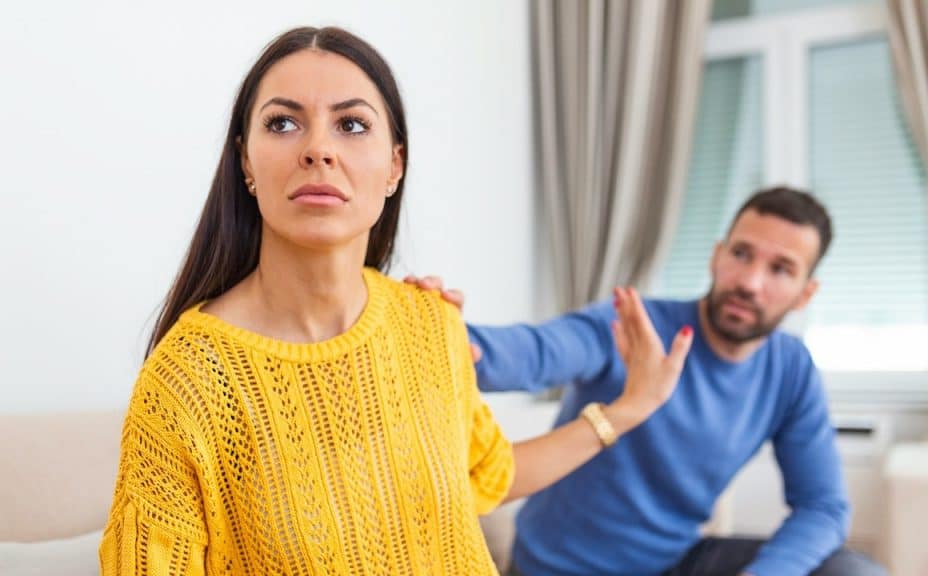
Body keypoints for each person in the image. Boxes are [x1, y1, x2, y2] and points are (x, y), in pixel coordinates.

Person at [98, 26, 693, 575]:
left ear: (394, 165)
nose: (318, 149)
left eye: (352, 125)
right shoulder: (187, 383)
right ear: (246, 163)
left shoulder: (430, 323)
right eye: (283, 123)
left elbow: (487, 476)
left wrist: (630, 408)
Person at [411, 187, 888, 576]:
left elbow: (823, 507)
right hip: (560, 569)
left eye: (780, 269)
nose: (750, 281)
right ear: (716, 257)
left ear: (806, 293)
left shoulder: (791, 370)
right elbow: (534, 352)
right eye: (741, 254)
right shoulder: (634, 325)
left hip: (674, 563)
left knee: (852, 571)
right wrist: (437, 334)